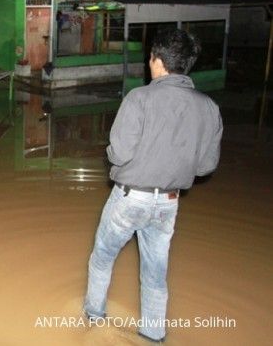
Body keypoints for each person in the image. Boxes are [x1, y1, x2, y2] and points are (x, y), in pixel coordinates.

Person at [83, 29, 223, 342]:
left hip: (129, 199)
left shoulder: (140, 98)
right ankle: (153, 334)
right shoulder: (209, 107)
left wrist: (112, 156)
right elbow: (206, 166)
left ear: (157, 60)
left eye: (150, 57)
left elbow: (119, 152)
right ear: (187, 64)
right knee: (155, 273)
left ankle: (93, 317)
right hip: (168, 204)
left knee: (102, 258)